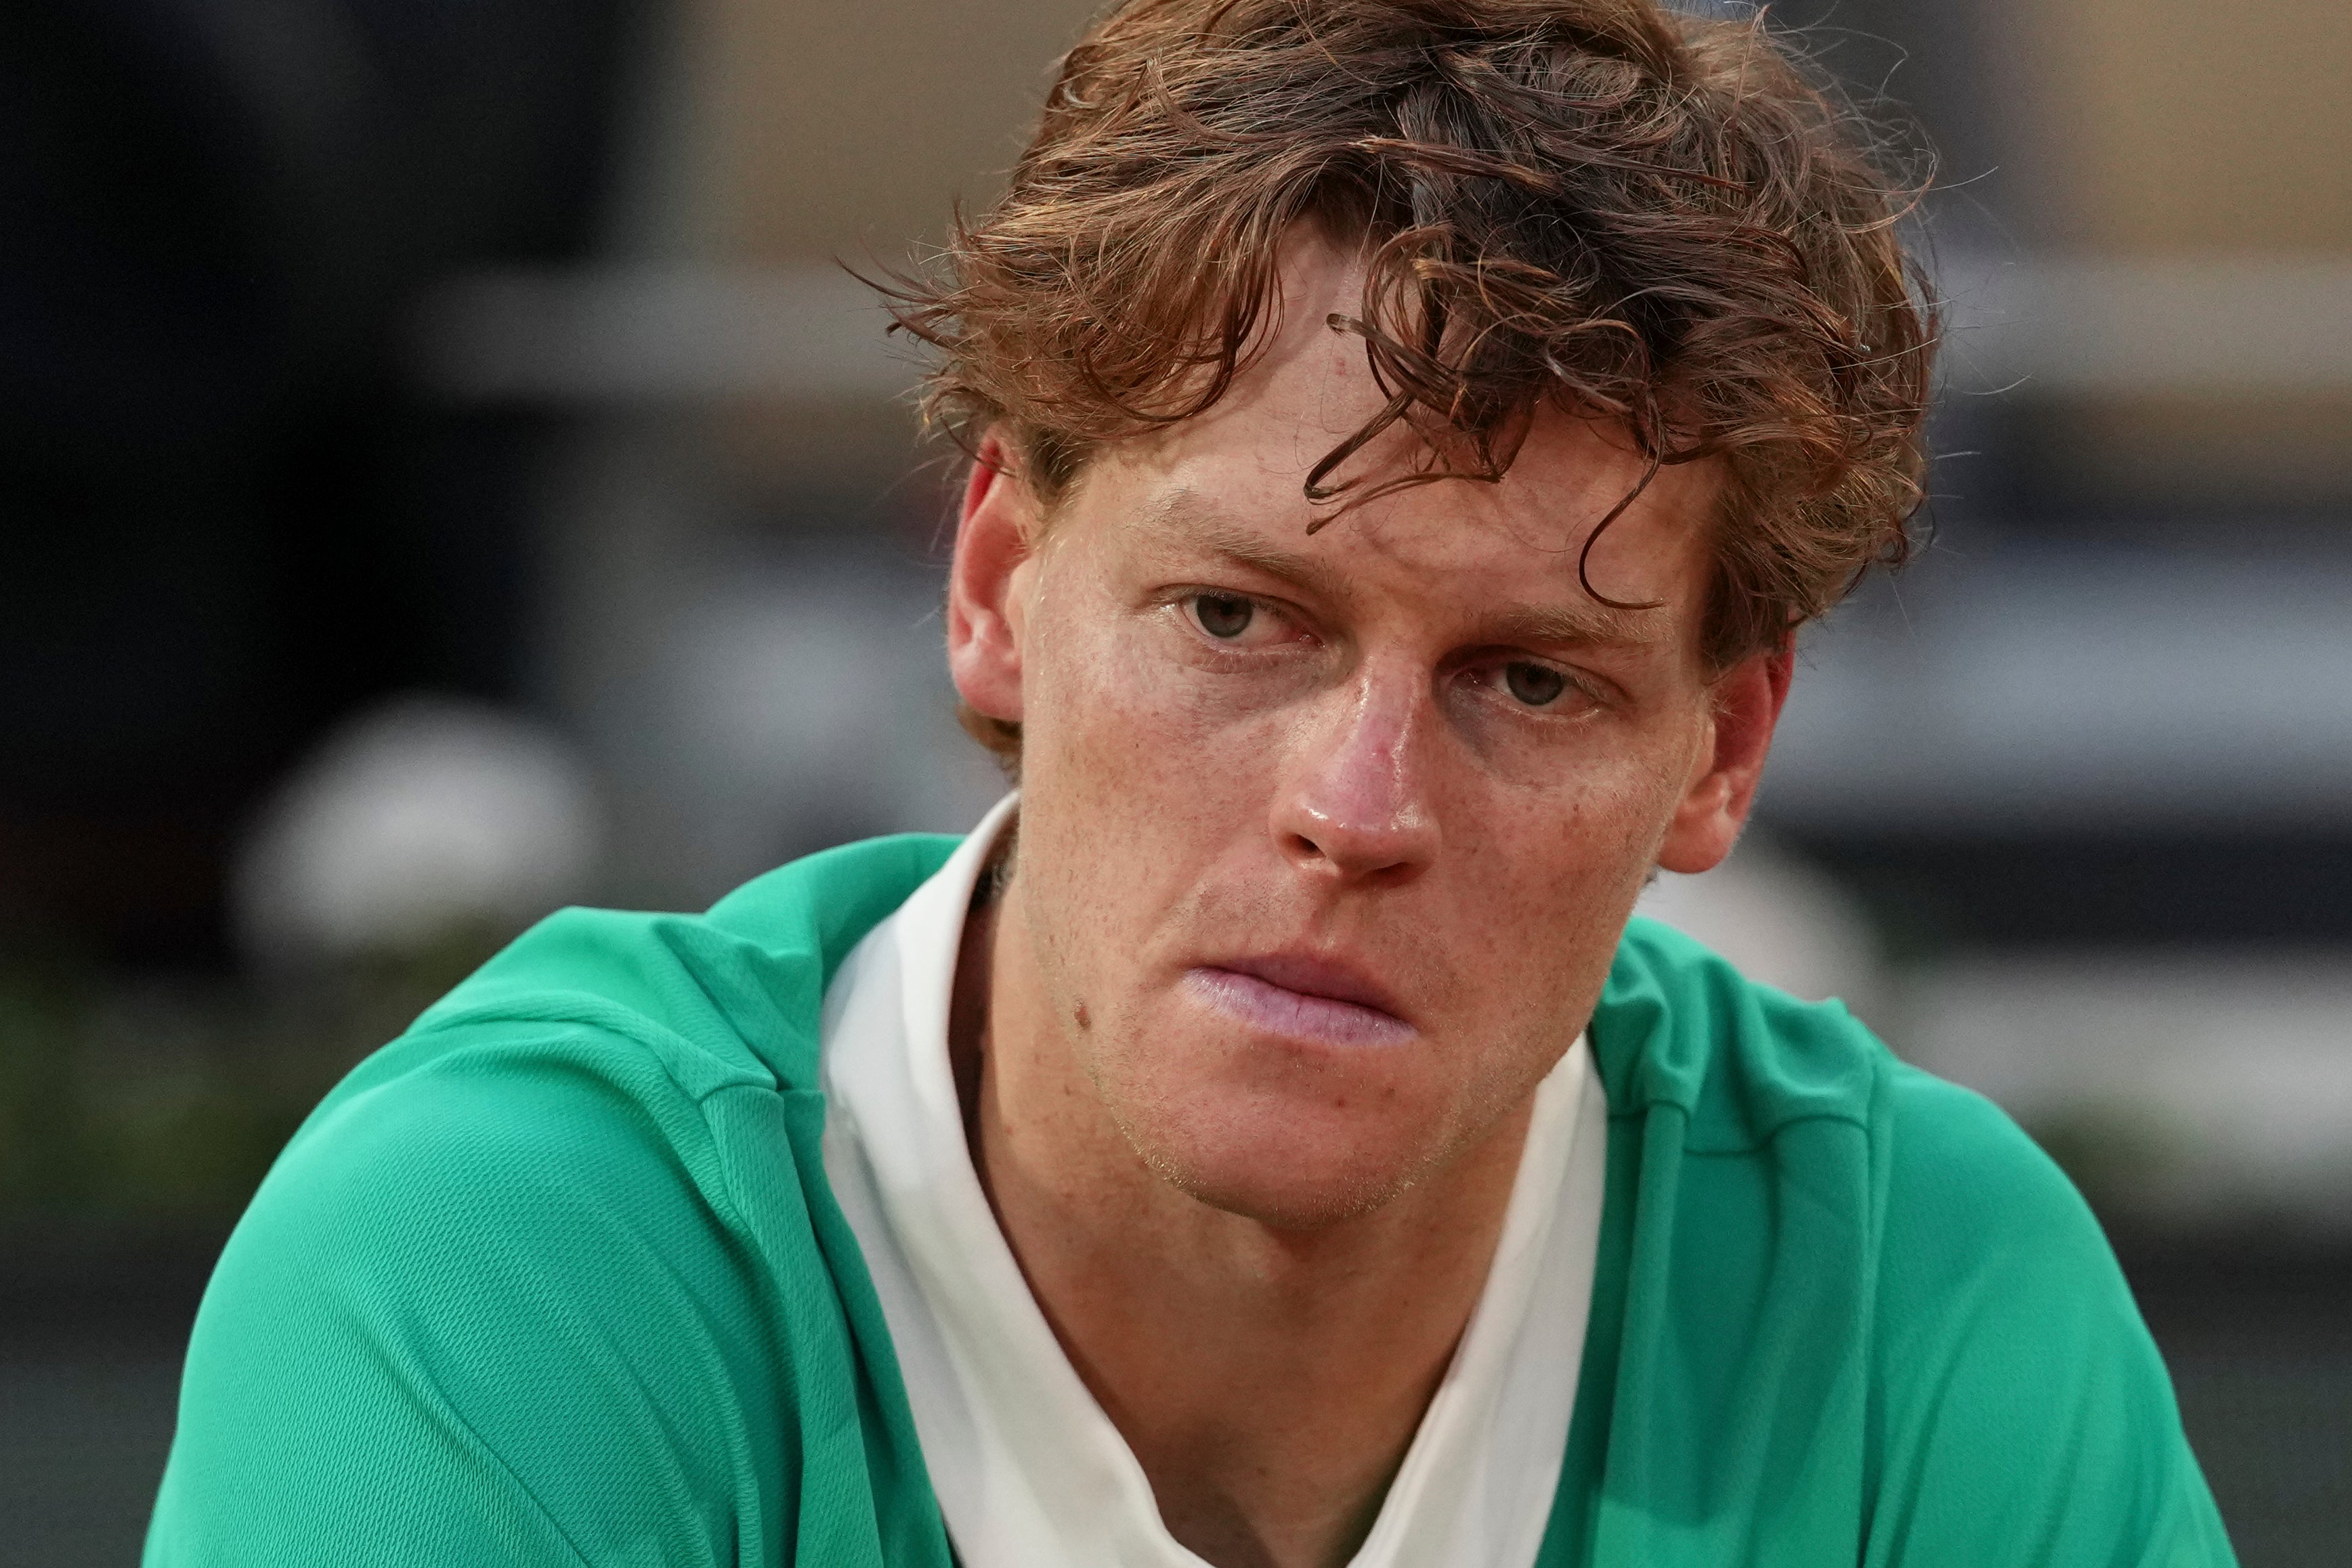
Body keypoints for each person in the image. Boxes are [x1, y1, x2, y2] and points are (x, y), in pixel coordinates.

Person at [144, 2, 2236, 1565]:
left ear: (1722, 747)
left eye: (1528, 677)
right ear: (995, 585)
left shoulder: (1909, 1303)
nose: (1358, 803)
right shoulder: (520, 1263)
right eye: (1239, 616)